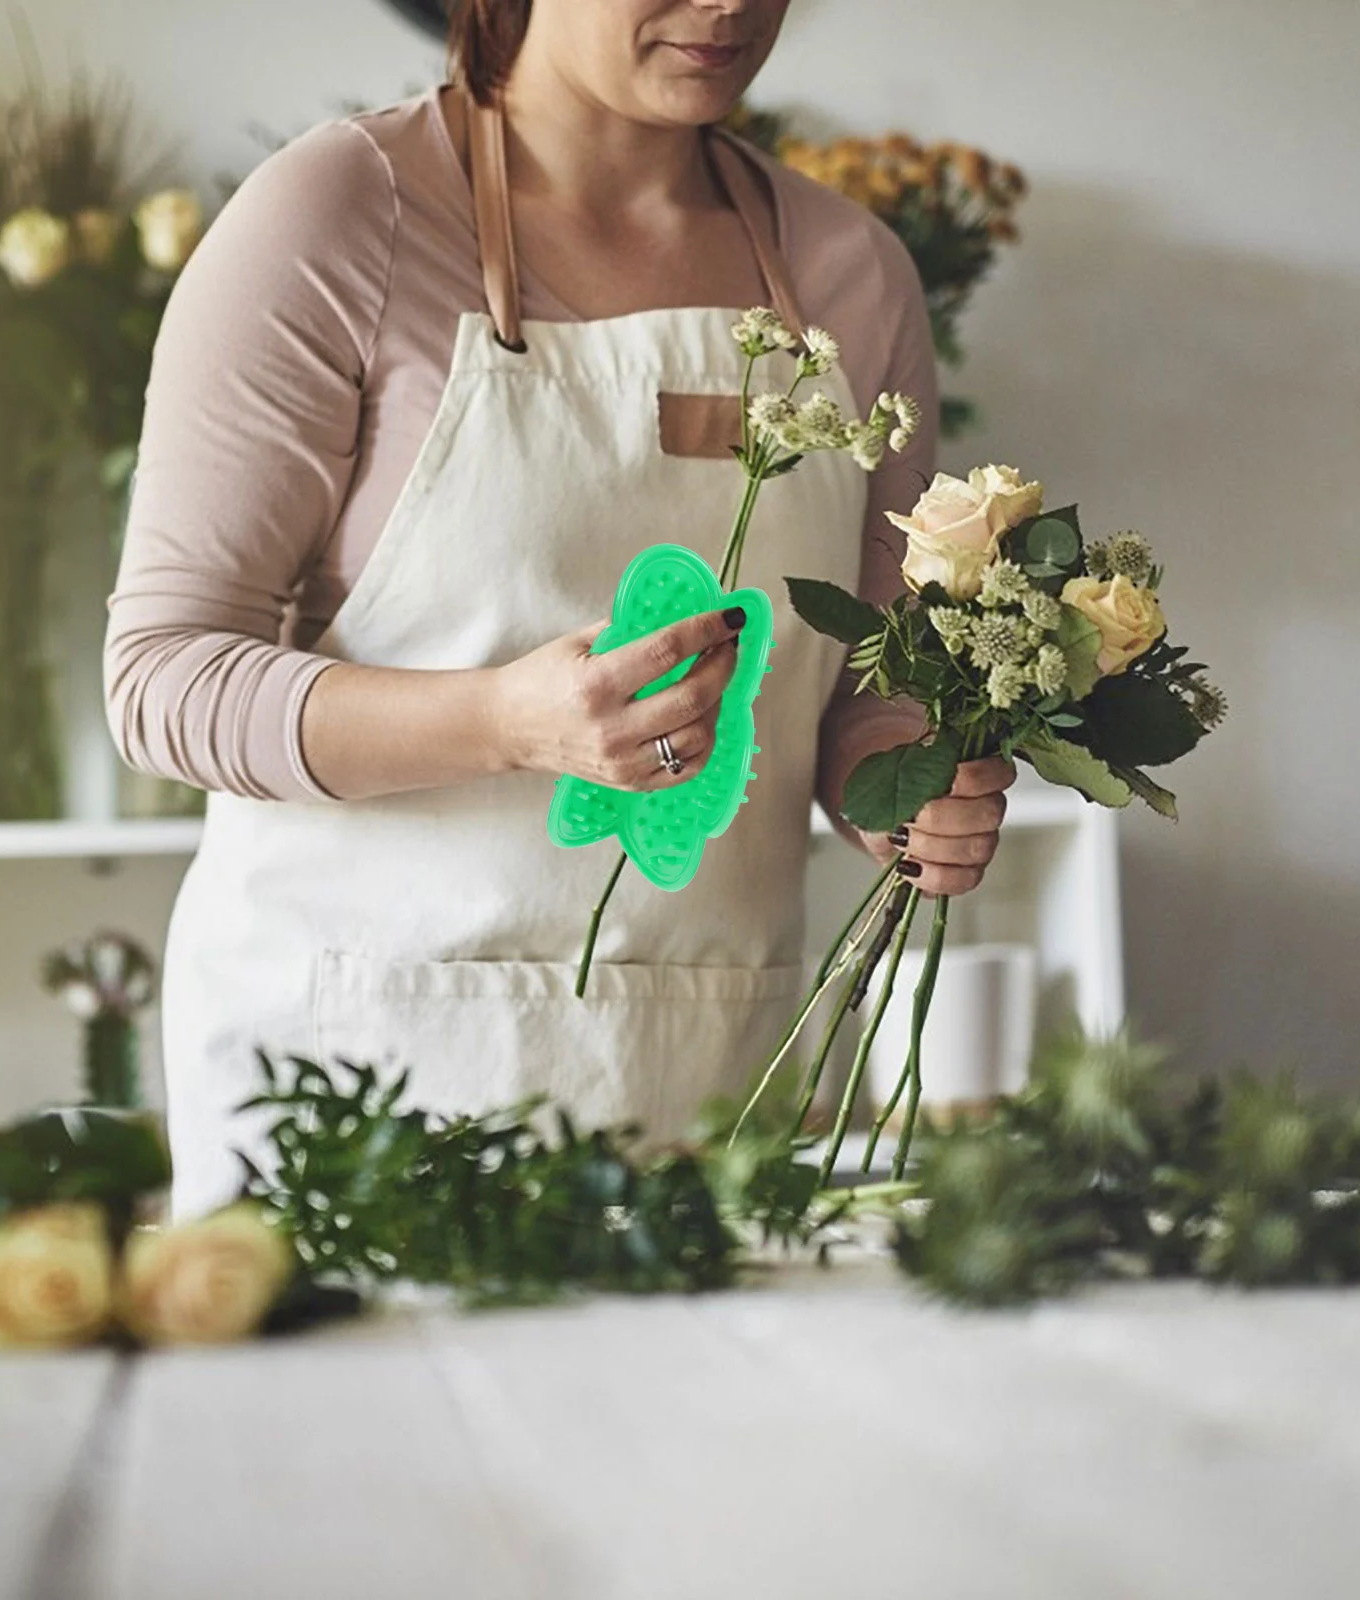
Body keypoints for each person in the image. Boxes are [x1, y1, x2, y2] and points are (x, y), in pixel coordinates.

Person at [105, 0, 1016, 1218]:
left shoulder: (851, 273)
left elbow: (861, 680)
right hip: (360, 1084)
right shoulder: (340, 215)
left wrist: (900, 789)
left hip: (710, 1084)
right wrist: (504, 723)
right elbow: (162, 679)